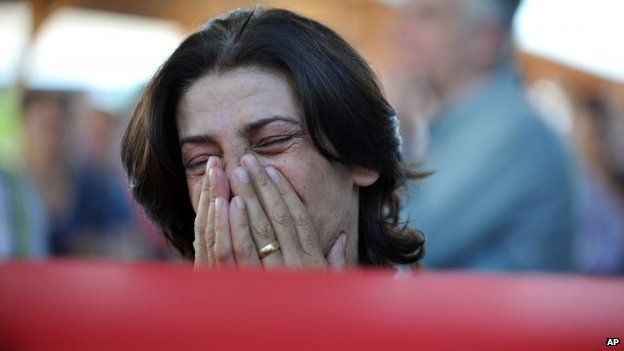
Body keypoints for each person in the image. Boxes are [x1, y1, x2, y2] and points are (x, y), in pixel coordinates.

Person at [121, 7, 425, 269]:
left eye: (272, 141)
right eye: (202, 161)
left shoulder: (433, 325)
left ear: (362, 157)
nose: (237, 182)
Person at [396, 0, 578, 271]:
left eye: (427, 16)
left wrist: (384, 126)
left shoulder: (514, 134)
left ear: (484, 38)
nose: (401, 33)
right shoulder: (475, 125)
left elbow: (398, 240)